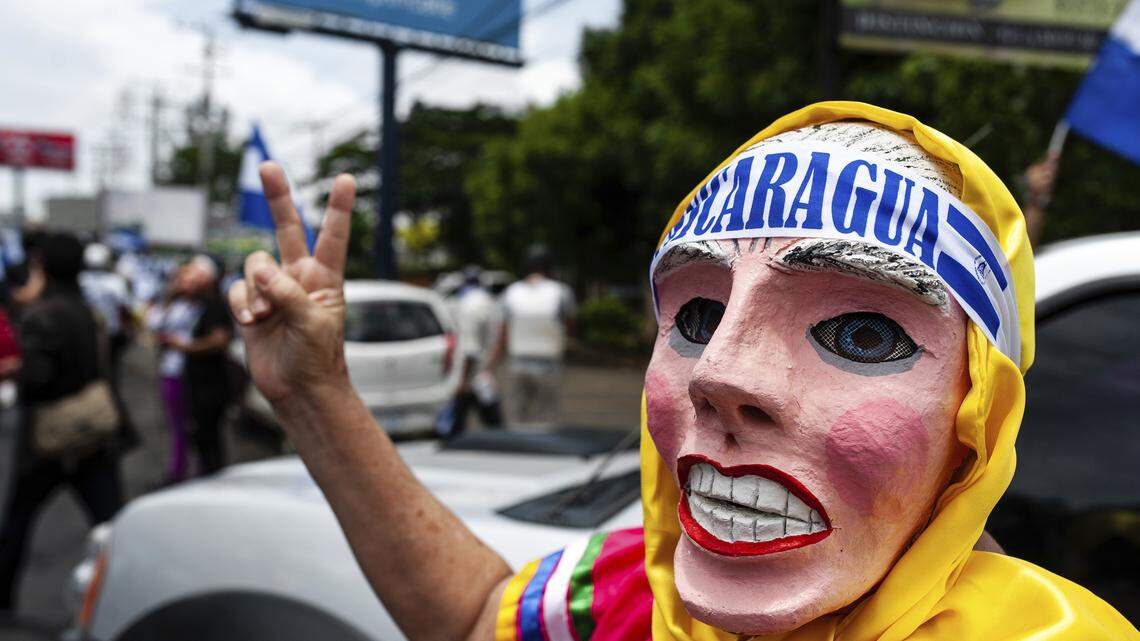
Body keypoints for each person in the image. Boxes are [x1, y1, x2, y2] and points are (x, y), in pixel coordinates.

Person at [228, 102, 1133, 641]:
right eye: (697, 315)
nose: (720, 374)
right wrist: (313, 393)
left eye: (860, 333)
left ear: (978, 416)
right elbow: (475, 620)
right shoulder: (639, 601)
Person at [0, 232, 126, 615]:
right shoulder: (88, 310)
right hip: (93, 433)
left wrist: (13, 370)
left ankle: (3, 600)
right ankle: (122, 601)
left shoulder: (43, 315)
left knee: (18, 522)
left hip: (49, 438)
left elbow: (38, 377)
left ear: (43, 266)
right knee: (113, 526)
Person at [486, 245, 576, 427]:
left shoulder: (511, 292)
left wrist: (491, 365)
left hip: (518, 364)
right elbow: (569, 326)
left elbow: (503, 334)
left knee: (517, 418)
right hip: (549, 365)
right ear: (549, 267)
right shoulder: (561, 292)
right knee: (548, 419)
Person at [164, 255, 233, 475]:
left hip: (209, 387)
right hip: (199, 384)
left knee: (207, 439)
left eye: (193, 273)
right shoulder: (199, 303)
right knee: (198, 436)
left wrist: (185, 347)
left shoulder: (215, 305)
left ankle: (212, 481)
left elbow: (219, 340)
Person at [147, 264, 197, 483]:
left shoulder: (197, 306)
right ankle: (179, 466)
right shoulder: (173, 305)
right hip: (171, 369)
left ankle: (180, 469)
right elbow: (154, 323)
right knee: (176, 423)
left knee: (183, 424)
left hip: (185, 371)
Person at [441, 265, 504, 437]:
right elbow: (498, 341)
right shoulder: (490, 302)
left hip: (470, 375)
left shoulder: (469, 305)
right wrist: (489, 368)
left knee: (457, 425)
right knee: (493, 423)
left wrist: (462, 382)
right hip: (483, 373)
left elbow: (470, 350)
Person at [80, 242, 134, 384]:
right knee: (110, 372)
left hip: (87, 332)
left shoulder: (80, 279)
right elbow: (126, 307)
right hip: (110, 333)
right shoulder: (116, 281)